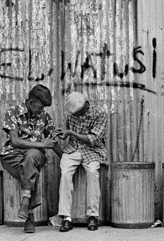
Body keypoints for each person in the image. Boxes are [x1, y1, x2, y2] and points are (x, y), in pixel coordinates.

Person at [0, 84, 62, 233]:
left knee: (32, 155)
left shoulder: (44, 116)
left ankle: (26, 205)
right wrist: (42, 143)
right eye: (40, 107)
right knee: (30, 170)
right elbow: (15, 141)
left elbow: (52, 140)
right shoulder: (13, 112)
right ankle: (29, 214)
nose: (42, 111)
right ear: (31, 101)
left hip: (35, 155)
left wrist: (64, 156)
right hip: (11, 155)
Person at [57, 92, 108, 232]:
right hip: (73, 148)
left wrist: (71, 133)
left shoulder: (100, 113)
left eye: (78, 112)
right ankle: (66, 218)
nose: (77, 115)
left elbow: (93, 139)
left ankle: (93, 216)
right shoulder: (72, 114)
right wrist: (63, 134)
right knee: (65, 173)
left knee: (92, 172)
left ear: (85, 106)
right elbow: (70, 138)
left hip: (93, 149)